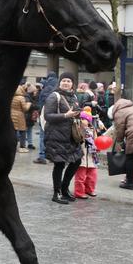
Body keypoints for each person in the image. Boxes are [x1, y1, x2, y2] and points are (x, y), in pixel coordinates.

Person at [44, 72, 83, 204]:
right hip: (56, 136)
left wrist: (79, 114)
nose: (66, 83)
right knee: (59, 164)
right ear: (59, 82)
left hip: (71, 137)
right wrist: (66, 115)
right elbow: (48, 116)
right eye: (63, 80)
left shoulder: (74, 96)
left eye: (69, 81)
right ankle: (57, 193)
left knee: (76, 161)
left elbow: (75, 113)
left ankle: (65, 188)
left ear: (73, 84)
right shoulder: (54, 96)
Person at [33, 71, 58, 165]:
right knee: (55, 136)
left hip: (46, 115)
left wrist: (40, 113)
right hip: (56, 116)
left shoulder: (47, 87)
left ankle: (42, 156)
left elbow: (43, 103)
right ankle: (53, 156)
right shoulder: (58, 86)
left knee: (43, 136)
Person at [73, 110, 99, 199]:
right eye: (81, 119)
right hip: (82, 156)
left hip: (92, 156)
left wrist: (97, 146)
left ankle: (89, 189)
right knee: (80, 177)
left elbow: (96, 141)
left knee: (92, 176)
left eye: (84, 119)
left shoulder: (93, 130)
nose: (82, 121)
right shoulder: (77, 129)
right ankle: (79, 192)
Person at [11, 85, 32, 153]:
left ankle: (13, 146)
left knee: (14, 131)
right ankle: (22, 147)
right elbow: (25, 108)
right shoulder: (21, 98)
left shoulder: (12, 97)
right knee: (22, 131)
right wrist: (28, 104)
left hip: (12, 115)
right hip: (20, 116)